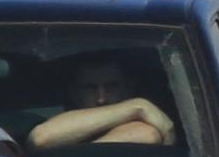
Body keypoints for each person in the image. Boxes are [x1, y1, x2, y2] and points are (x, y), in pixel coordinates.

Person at [26, 50, 178, 149]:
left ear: (129, 87)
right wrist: (138, 106)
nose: (101, 99)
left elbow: (147, 136)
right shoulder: (58, 123)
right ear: (73, 92)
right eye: (90, 88)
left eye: (112, 86)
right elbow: (41, 139)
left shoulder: (146, 124)